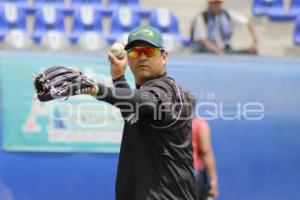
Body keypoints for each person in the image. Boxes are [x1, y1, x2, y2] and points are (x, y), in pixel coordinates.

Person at [96, 25, 196, 200]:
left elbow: (146, 101)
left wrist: (96, 89)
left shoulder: (168, 89)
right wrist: (119, 78)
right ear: (129, 58)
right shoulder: (139, 98)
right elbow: (131, 110)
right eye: (135, 52)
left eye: (149, 51)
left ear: (164, 57)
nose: (142, 57)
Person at [190, 0, 258, 54]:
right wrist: (217, 50)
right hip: (205, 51)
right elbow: (203, 39)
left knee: (252, 52)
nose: (216, 5)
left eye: (218, 3)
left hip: (225, 50)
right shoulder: (201, 18)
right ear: (209, 4)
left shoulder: (227, 14)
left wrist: (255, 42)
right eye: (214, 3)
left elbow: (247, 22)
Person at [185, 92, 219, 200]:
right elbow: (206, 151)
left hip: (172, 174)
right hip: (195, 174)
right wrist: (213, 181)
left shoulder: (168, 125)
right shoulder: (199, 124)